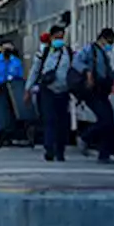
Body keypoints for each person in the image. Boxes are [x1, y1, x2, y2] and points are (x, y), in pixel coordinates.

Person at [26, 24, 74, 162]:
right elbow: (35, 71)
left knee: (62, 123)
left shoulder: (69, 52)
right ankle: (49, 149)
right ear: (51, 37)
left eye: (62, 37)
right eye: (57, 37)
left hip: (63, 91)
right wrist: (28, 89)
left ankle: (60, 150)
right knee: (50, 120)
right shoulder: (44, 53)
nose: (60, 40)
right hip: (47, 91)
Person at [72, 27, 114, 163]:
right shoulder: (89, 50)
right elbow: (76, 62)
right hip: (91, 91)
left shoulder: (103, 54)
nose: (110, 45)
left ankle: (104, 155)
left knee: (109, 122)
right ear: (102, 39)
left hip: (102, 91)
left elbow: (106, 73)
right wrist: (87, 72)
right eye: (109, 41)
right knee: (105, 120)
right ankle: (85, 137)